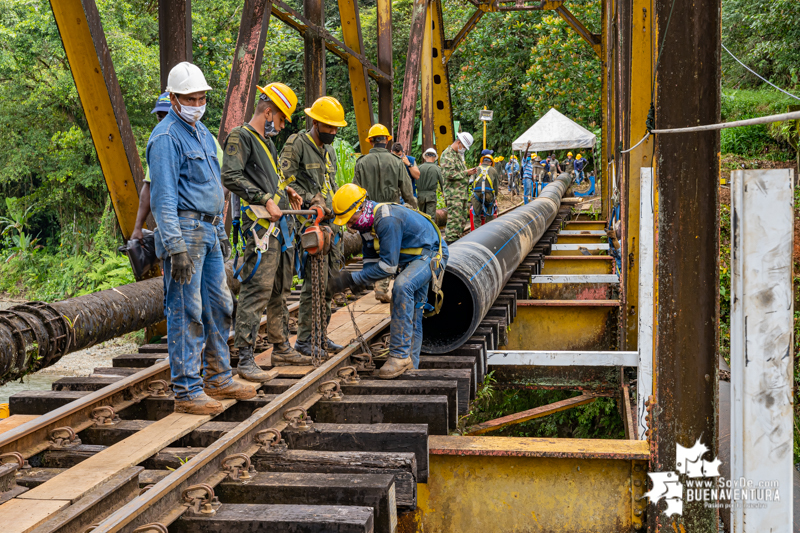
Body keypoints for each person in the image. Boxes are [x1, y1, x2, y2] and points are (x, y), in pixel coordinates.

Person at [148, 62, 255, 415]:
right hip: (186, 232)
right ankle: (187, 390)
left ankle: (218, 377)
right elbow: (162, 198)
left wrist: (221, 232)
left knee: (219, 306)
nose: (197, 102)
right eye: (190, 98)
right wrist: (175, 246)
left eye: (201, 97)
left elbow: (214, 189)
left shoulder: (203, 134)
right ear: (174, 99)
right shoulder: (166, 137)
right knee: (186, 310)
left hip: (208, 230)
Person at [222, 82, 309, 374]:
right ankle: (245, 355)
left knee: (281, 287)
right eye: (282, 119)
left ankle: (281, 346)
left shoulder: (268, 143)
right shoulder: (241, 137)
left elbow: (273, 178)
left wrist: (289, 192)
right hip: (260, 226)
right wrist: (263, 199)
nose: (282, 126)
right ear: (269, 112)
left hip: (280, 226)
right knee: (257, 288)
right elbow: (231, 176)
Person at [328, 184, 448, 378]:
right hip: (413, 259)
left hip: (430, 256)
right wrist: (359, 282)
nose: (349, 225)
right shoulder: (366, 226)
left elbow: (387, 267)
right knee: (414, 314)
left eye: (350, 219)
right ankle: (410, 367)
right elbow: (371, 262)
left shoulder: (386, 219)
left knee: (402, 286)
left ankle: (399, 356)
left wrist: (350, 279)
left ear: (361, 207)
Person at [279, 96, 348, 358]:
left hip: (329, 224)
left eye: (335, 128)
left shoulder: (328, 151)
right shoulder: (296, 144)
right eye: (329, 127)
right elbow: (283, 181)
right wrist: (309, 200)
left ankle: (321, 335)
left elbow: (329, 184)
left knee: (329, 283)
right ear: (316, 123)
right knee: (313, 285)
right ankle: (306, 340)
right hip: (309, 224)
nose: (333, 132)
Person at [133, 93, 226, 242]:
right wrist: (138, 227)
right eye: (160, 117)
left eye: (167, 115)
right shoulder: (163, 142)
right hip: (180, 226)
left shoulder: (206, 139)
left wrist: (214, 216)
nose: (164, 121)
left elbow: (222, 182)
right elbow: (150, 189)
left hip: (206, 226)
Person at [353, 124, 416, 303]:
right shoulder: (397, 162)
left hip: (368, 214)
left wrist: (354, 215)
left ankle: (369, 281)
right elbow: (407, 192)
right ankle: (381, 286)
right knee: (389, 248)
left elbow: (355, 190)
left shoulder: (362, 162)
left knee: (369, 247)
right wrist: (414, 208)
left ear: (371, 141)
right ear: (387, 140)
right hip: (390, 214)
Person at [439, 131, 476, 243]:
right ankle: (450, 243)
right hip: (454, 195)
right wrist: (466, 173)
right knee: (454, 221)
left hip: (461, 194)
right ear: (459, 143)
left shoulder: (457, 155)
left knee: (461, 220)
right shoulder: (447, 155)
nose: (463, 149)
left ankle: (456, 241)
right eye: (464, 146)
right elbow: (449, 174)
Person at [471, 149, 499, 228]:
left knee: (476, 214)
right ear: (490, 163)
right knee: (489, 214)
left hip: (477, 194)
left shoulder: (477, 168)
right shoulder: (493, 170)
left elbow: (474, 184)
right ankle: (487, 231)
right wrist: (495, 197)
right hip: (488, 194)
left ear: (482, 161)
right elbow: (496, 186)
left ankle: (477, 231)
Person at [417, 147, 444, 219]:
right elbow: (442, 182)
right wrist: (444, 192)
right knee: (430, 218)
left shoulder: (419, 168)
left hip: (420, 196)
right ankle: (430, 230)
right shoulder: (437, 168)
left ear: (425, 157)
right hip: (431, 196)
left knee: (422, 216)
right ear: (435, 157)